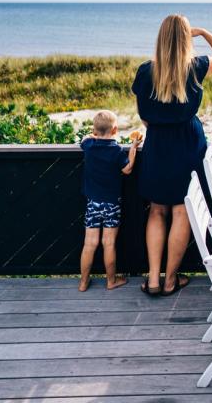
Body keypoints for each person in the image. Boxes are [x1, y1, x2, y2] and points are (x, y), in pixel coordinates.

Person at [132, 15, 212, 296]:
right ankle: (171, 279)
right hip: (187, 145)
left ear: (161, 39)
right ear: (185, 39)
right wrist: (202, 32)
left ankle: (153, 279)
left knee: (156, 211)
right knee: (181, 212)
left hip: (157, 147)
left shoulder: (145, 72)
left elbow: (144, 117)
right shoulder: (195, 68)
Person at [78, 110, 142, 292]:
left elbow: (83, 140)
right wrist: (133, 148)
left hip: (93, 203)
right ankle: (111, 281)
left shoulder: (89, 145)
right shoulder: (116, 151)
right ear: (115, 130)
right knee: (109, 243)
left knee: (89, 243)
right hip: (111, 203)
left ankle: (83, 282)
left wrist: (92, 135)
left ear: (94, 130)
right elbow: (128, 169)